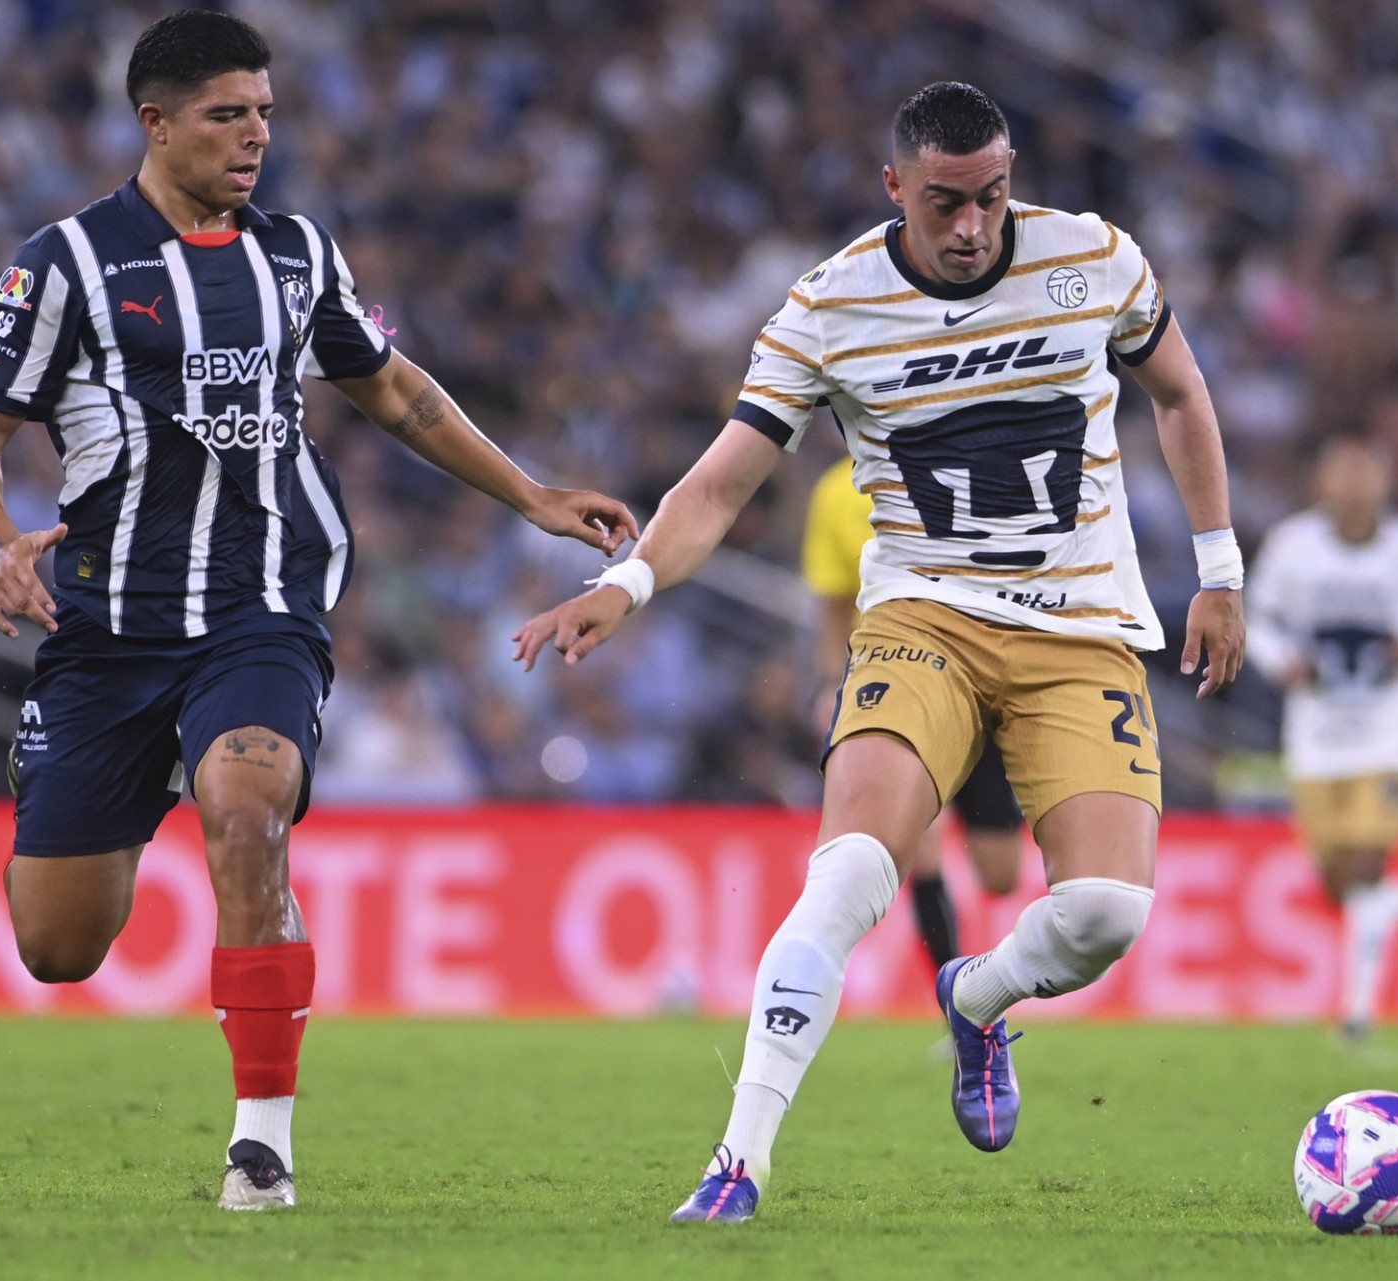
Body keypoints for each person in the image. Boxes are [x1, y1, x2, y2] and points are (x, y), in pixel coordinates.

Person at [0, 10, 634, 1211]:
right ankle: (147, 765)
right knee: (57, 947)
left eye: (263, 112)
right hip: (108, 630)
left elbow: (393, 389)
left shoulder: (299, 253)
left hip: (262, 606)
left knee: (250, 813)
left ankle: (261, 1149)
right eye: (227, 115)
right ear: (157, 124)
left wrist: (530, 495)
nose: (256, 135)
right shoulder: (65, 263)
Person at [514, 82, 1246, 1221]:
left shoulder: (1093, 260)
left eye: (992, 196)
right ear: (895, 186)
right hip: (923, 621)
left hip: (1079, 626)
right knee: (852, 870)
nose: (973, 226)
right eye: (947, 202)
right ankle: (738, 1161)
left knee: (1107, 914)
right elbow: (720, 484)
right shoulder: (830, 306)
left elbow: (1183, 394)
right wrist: (630, 580)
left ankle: (978, 996)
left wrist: (1220, 570)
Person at [1244, 434, 1398, 1040]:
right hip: (1315, 732)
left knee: (1368, 861)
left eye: (1364, 471)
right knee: (1336, 882)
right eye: (1341, 471)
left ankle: (1358, 1010)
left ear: (1386, 480)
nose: (1353, 484)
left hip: (1388, 729)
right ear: (1321, 481)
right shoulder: (1293, 546)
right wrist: (1281, 663)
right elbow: (1258, 619)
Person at [803, 455, 1025, 973]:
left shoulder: (957, 465)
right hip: (896, 688)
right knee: (922, 854)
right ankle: (958, 999)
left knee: (1001, 875)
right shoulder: (835, 493)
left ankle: (982, 983)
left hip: (977, 687)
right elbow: (836, 605)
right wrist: (832, 685)